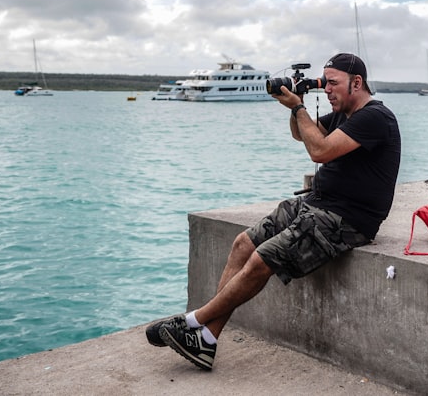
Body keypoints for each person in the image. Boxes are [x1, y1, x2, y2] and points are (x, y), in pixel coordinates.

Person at [145, 53, 401, 371]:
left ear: (357, 82)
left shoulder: (375, 117)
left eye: (333, 83)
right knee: (243, 244)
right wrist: (299, 101)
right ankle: (206, 340)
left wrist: (297, 106)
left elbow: (319, 151)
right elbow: (300, 134)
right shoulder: (342, 114)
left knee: (261, 259)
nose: (328, 90)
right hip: (318, 204)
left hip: (348, 220)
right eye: (326, 84)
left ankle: (191, 322)